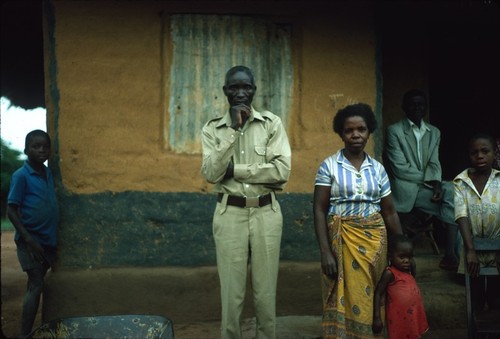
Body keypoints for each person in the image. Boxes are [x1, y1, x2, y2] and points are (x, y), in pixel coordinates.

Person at [201, 65, 292, 338]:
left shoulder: (271, 124)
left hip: (266, 211)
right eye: (234, 88)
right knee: (232, 294)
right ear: (225, 91)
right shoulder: (212, 129)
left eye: (246, 87)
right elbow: (210, 173)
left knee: (265, 293)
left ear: (254, 90)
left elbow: (281, 172)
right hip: (230, 213)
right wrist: (234, 130)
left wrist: (236, 170)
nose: (240, 92)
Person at [313, 103, 403, 338]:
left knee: (374, 294)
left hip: (375, 244)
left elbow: (390, 212)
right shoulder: (329, 166)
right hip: (342, 242)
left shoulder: (378, 169)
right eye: (349, 130)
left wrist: (402, 247)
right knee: (347, 294)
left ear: (369, 131)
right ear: (341, 133)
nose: (356, 135)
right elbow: (320, 209)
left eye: (361, 129)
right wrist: (325, 251)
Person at [384, 89, 459, 271]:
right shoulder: (394, 131)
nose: (417, 108)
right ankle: (452, 255)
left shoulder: (434, 132)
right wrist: (430, 182)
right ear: (404, 107)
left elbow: (434, 162)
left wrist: (437, 183)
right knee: (453, 208)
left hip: (426, 189)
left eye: (421, 105)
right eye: (412, 104)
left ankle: (451, 254)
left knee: (455, 194)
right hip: (405, 189)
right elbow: (400, 169)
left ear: (426, 108)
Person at [7, 129, 59, 338]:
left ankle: (48, 325)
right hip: (31, 242)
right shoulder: (21, 176)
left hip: (48, 241)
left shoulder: (48, 173)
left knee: (47, 282)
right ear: (26, 149)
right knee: (35, 284)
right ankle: (24, 334)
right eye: (36, 146)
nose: (42, 150)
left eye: (45, 146)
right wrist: (29, 240)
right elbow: (10, 210)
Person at [453, 132, 500, 313]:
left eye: (485, 151)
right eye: (474, 152)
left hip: (498, 250)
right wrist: (470, 249)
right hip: (472, 249)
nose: (479, 156)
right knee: (476, 300)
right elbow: (461, 214)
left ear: (494, 153)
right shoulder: (461, 182)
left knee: (496, 301)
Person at [372, 234, 429, 338]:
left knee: (414, 333)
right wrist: (377, 317)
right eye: (402, 257)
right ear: (390, 256)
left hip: (413, 314)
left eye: (409, 257)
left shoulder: (409, 270)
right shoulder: (390, 273)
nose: (406, 260)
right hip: (398, 316)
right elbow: (378, 293)